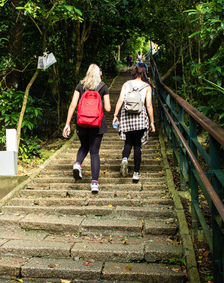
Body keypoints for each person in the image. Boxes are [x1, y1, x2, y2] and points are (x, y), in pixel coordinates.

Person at [63, 64, 111, 192]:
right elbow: (108, 108)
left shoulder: (80, 85)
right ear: (99, 74)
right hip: (97, 124)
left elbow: (73, 105)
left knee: (84, 145)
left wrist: (67, 124)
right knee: (94, 152)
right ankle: (94, 183)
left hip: (82, 122)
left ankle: (78, 164)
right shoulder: (103, 87)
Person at [112, 62, 155, 181]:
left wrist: (115, 115)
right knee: (137, 144)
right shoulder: (147, 87)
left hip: (126, 116)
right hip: (140, 117)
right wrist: (152, 122)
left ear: (134, 72)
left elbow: (120, 100)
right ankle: (136, 173)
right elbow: (149, 105)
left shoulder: (126, 84)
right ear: (145, 73)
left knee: (128, 142)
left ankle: (125, 158)